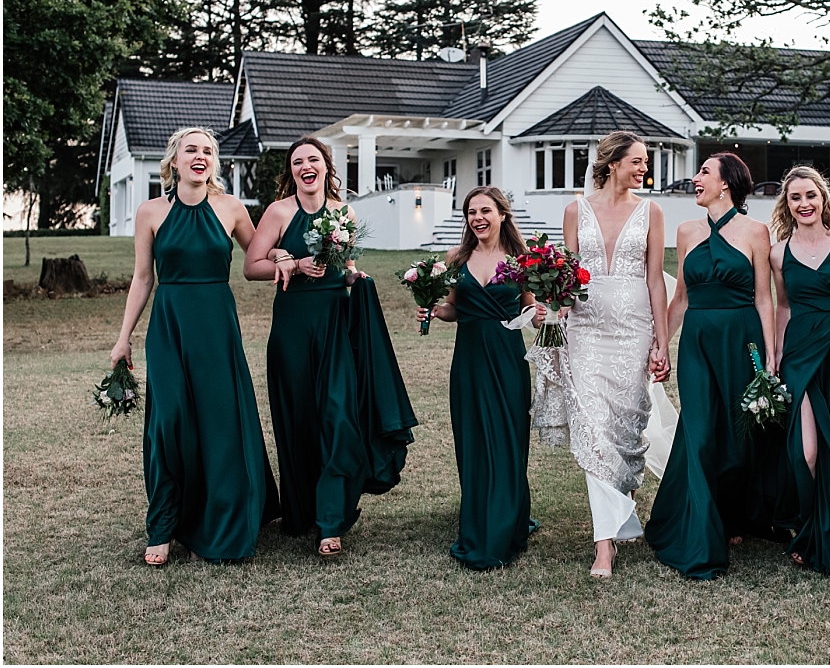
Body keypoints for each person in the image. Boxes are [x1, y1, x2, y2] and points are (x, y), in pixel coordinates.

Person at [110, 127, 279, 566]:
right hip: (169, 327)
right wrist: (123, 338)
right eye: (191, 150)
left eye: (207, 151)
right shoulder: (149, 212)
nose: (200, 156)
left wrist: (283, 256)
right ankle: (164, 526)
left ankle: (223, 523)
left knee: (220, 423)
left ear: (213, 162)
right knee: (169, 422)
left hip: (216, 328)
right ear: (175, 160)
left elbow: (258, 256)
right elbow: (142, 279)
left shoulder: (231, 208)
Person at [245, 136, 417, 559]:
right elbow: (251, 266)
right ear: (292, 171)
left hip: (335, 327)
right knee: (299, 420)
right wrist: (292, 263)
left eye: (313, 160)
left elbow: (346, 266)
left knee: (340, 418)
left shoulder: (344, 213)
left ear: (326, 167)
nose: (306, 166)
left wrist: (355, 277)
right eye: (298, 161)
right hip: (292, 330)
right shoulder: (279, 211)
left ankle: (331, 521)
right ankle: (303, 511)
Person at [644, 152, 778, 580]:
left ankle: (734, 514)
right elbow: (680, 298)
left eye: (704, 172)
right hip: (698, 342)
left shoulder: (756, 232)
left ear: (727, 184)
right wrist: (661, 345)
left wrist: (770, 354)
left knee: (739, 436)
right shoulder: (687, 231)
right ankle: (701, 536)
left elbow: (764, 299)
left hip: (741, 340)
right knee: (699, 432)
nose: (696, 178)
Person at [559, 131, 671, 579]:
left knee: (624, 428)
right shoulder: (575, 210)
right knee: (593, 428)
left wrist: (662, 341)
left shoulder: (652, 211)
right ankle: (604, 546)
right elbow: (567, 276)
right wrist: (555, 309)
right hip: (584, 331)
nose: (644, 168)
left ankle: (619, 512)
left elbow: (656, 279)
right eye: (637, 161)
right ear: (612, 164)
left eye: (645, 161)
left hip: (633, 331)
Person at [416, 186, 546, 570]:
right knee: (473, 441)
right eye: (471, 212)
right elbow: (454, 308)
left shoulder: (522, 260)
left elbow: (529, 310)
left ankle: (506, 523)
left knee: (507, 441)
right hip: (469, 361)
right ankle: (478, 518)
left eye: (485, 211)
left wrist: (540, 315)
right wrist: (435, 312)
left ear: (502, 214)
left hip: (507, 360)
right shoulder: (456, 258)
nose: (477, 218)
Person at [769, 165, 830, 575]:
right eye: (795, 197)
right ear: (787, 204)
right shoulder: (778, 252)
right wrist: (777, 354)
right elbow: (783, 305)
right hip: (798, 353)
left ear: (823, 197)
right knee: (806, 451)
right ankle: (810, 526)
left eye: (810, 195)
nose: (804, 203)